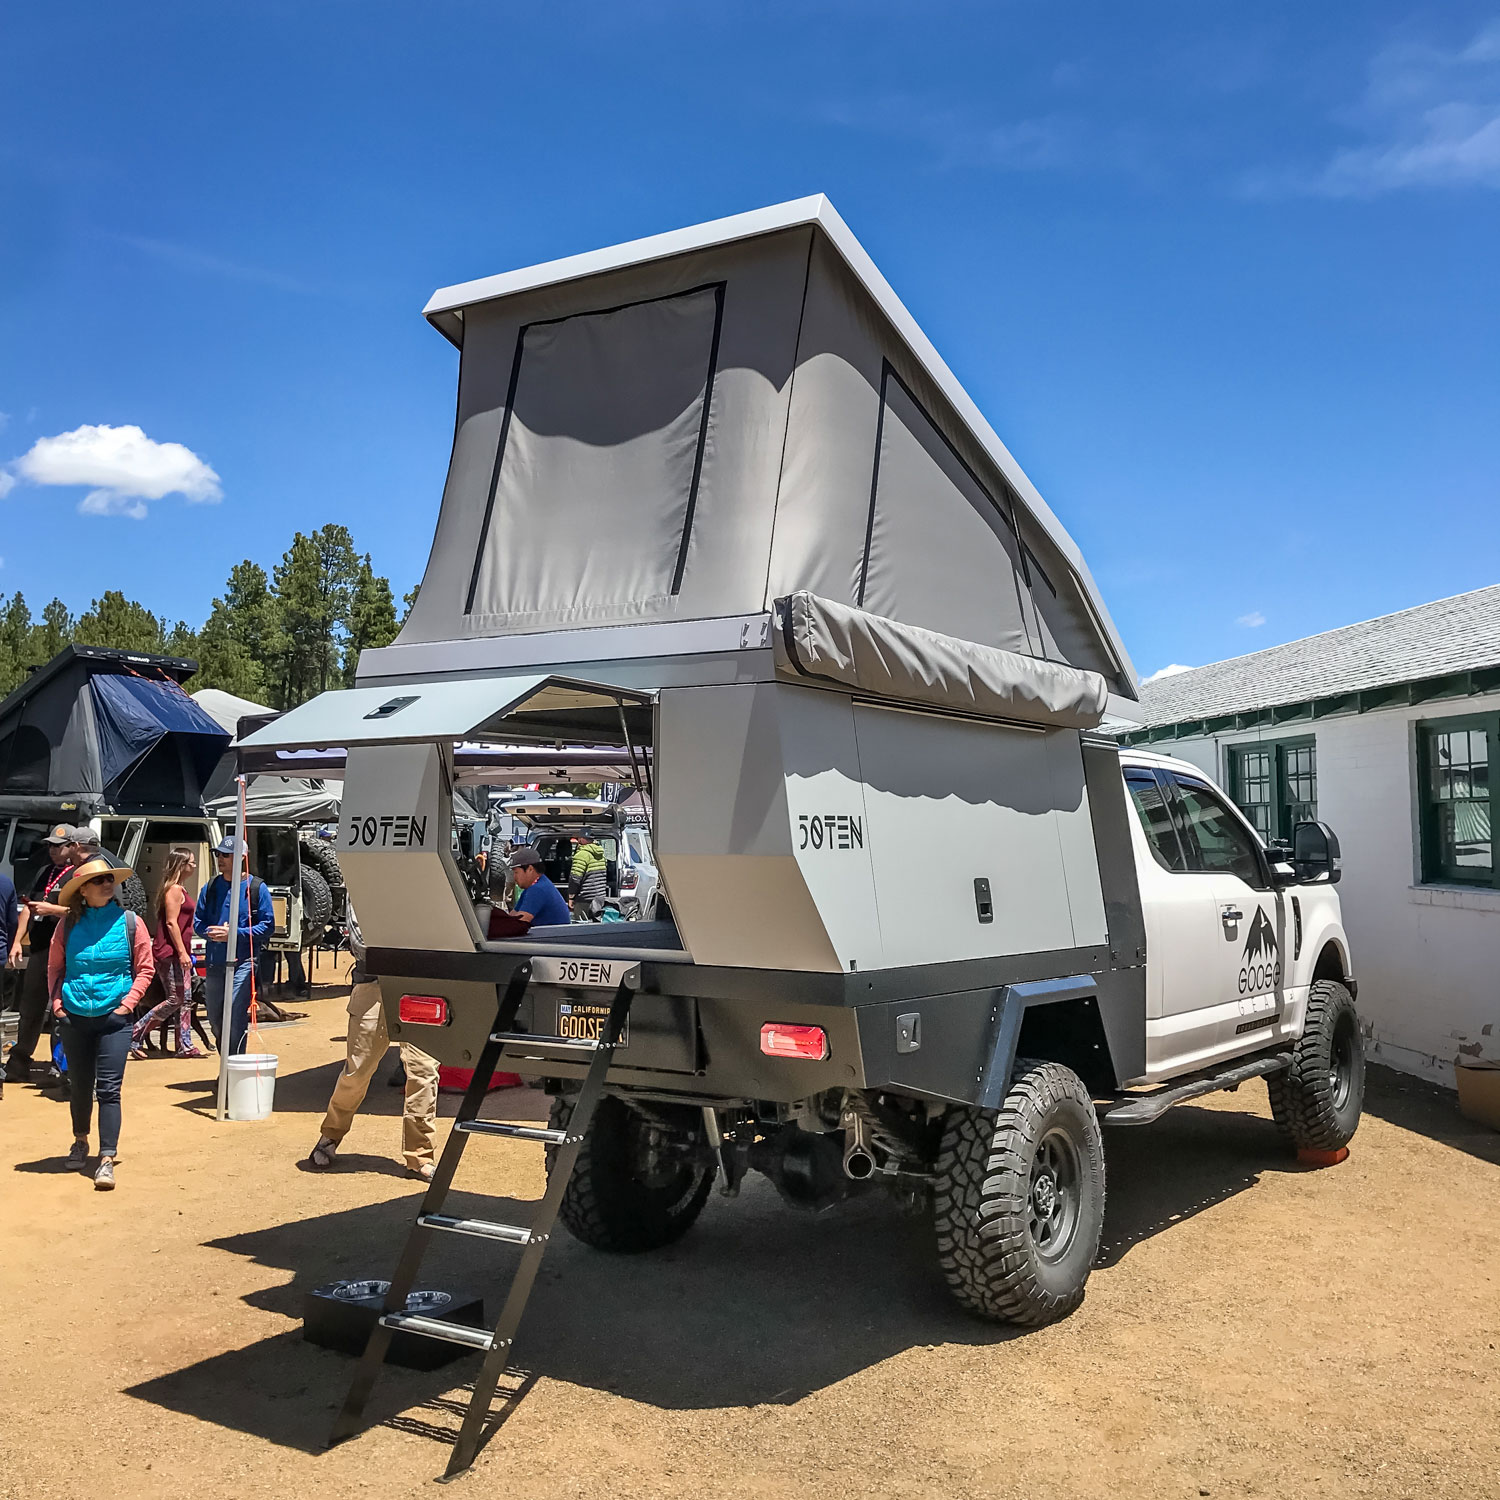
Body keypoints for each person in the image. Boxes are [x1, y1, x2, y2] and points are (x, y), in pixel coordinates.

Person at [306, 905, 438, 1179]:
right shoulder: (363, 883)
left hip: (421, 987)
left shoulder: (425, 886)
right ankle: (331, 1134)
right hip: (373, 986)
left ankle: (420, 1155)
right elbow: (361, 944)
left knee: (424, 1071)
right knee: (357, 1072)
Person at [49, 857, 155, 1189]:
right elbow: (55, 967)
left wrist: (127, 1005)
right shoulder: (66, 925)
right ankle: (80, 1141)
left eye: (110, 879)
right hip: (75, 1016)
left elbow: (146, 968)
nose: (107, 884)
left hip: (114, 1019)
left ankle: (107, 1158)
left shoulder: (130, 923)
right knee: (80, 1085)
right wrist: (57, 1005)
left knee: (109, 1090)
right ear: (82, 890)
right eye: (99, 880)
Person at [4, 825, 75, 1084]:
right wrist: (17, 941)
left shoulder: (78, 875)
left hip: (66, 952)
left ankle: (59, 1066)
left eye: (59, 846)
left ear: (72, 847)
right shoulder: (45, 872)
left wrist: (51, 910)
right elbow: (28, 908)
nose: (53, 850)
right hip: (40, 949)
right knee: (30, 1007)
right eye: (50, 846)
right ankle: (19, 1062)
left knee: (59, 1010)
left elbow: (82, 911)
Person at [194, 837, 273, 1057]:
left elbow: (267, 926)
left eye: (226, 855)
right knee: (215, 1018)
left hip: (243, 963)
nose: (220, 859)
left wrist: (234, 934)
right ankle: (228, 1062)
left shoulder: (257, 888)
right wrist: (211, 933)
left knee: (235, 1015)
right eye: (218, 854)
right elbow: (198, 922)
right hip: (214, 963)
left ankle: (233, 1067)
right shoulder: (210, 887)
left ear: (242, 858)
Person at [129, 847, 204, 1060]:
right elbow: (171, 923)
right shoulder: (174, 890)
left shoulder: (179, 889)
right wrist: (181, 952)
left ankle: (184, 1044)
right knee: (175, 998)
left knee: (185, 1000)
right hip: (170, 953)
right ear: (181, 865)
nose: (194, 866)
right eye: (191, 862)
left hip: (179, 952)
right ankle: (136, 1032)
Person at [508, 845, 572, 927]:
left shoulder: (538, 889)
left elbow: (518, 923)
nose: (514, 877)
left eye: (516, 872)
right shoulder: (536, 886)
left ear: (530, 869)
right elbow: (512, 916)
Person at [568, 836, 609, 912]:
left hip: (585, 899)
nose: (578, 840)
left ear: (582, 839)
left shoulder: (581, 855)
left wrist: (571, 897)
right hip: (600, 897)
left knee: (581, 919)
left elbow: (575, 879)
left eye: (578, 838)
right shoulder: (601, 854)